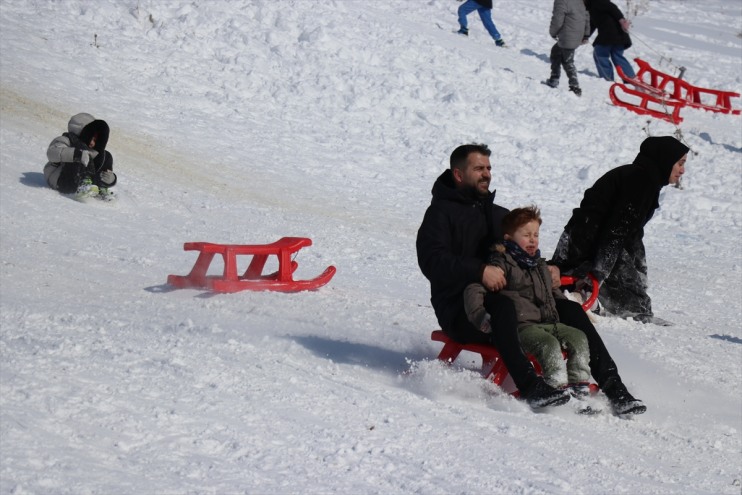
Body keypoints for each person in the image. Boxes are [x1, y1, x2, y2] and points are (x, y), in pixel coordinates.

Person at [417, 143, 646, 415]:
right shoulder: (440, 214)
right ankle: (530, 387)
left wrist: (547, 270)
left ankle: (614, 386)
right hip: (462, 310)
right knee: (502, 306)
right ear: (458, 174)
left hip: (519, 304)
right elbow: (432, 260)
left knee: (569, 309)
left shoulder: (498, 215)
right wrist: (479, 271)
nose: (486, 174)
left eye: (488, 168)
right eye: (478, 168)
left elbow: (524, 250)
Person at [463, 206, 593, 408]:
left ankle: (578, 384)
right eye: (526, 235)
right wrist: (480, 316)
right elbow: (474, 289)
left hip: (548, 322)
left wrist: (565, 305)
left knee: (579, 337)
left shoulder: (539, 265)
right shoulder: (501, 263)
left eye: (536, 235)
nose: (533, 240)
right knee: (548, 344)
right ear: (509, 238)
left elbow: (551, 293)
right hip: (523, 327)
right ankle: (555, 386)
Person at [551, 136, 689, 326]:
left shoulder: (646, 180)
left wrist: (640, 272)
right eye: (680, 163)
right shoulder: (641, 181)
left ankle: (584, 291)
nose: (682, 170)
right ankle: (585, 297)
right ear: (665, 160)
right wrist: (599, 274)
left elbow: (632, 233)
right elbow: (616, 232)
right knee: (633, 306)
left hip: (589, 239)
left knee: (636, 296)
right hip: (585, 242)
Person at [44, 112, 117, 200]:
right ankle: (84, 186)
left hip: (79, 180)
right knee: (81, 153)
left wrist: (111, 179)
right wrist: (76, 154)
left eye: (95, 140)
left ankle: (101, 188)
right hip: (59, 178)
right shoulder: (66, 140)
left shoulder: (93, 150)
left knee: (105, 155)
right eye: (90, 138)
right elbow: (52, 153)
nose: (92, 143)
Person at [543, 0, 591, 97]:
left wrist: (553, 32)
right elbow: (586, 16)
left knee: (567, 61)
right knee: (556, 52)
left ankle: (574, 86)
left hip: (568, 36)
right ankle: (554, 78)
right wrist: (586, 34)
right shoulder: (579, 1)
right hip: (577, 35)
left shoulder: (562, 1)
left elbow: (557, 19)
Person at [586, 0, 636, 81]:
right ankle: (631, 78)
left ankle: (607, 80)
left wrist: (622, 20)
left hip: (610, 33)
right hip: (618, 34)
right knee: (617, 56)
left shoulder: (597, 2)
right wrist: (585, 36)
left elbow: (612, 7)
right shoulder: (592, 7)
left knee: (600, 54)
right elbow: (593, 23)